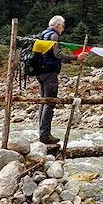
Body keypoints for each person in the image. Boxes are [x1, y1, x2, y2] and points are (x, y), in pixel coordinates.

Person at [36, 15, 87, 145]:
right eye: (63, 26)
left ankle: (42, 133)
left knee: (43, 102)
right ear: (58, 25)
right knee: (50, 103)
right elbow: (57, 55)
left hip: (40, 72)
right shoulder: (53, 36)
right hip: (49, 72)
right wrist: (77, 57)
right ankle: (45, 135)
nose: (63, 29)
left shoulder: (43, 34)